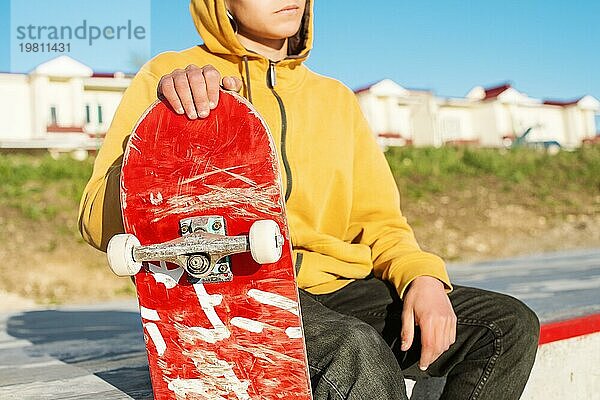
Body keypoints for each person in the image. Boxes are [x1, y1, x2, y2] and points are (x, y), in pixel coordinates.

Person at [78, 1, 540, 398]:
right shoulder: (170, 76)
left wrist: (422, 278)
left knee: (507, 327)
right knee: (355, 352)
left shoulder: (335, 99)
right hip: (233, 289)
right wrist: (165, 130)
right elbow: (95, 219)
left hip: (337, 288)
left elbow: (379, 223)